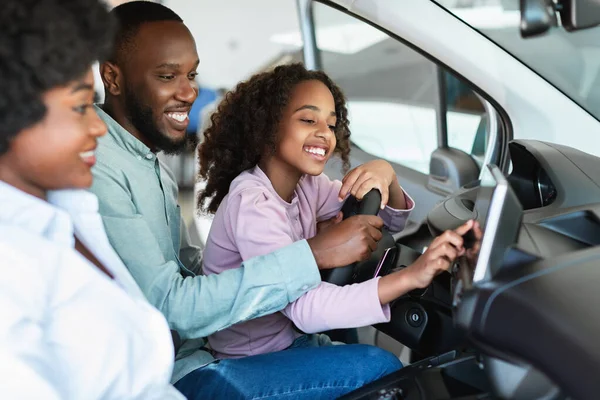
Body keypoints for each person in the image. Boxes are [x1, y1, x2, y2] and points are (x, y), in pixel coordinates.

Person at [90, 2, 411, 398]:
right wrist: (310, 254)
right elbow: (175, 307)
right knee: (381, 372)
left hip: (203, 350)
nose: (189, 91)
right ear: (113, 78)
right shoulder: (98, 165)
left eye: (191, 74)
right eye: (167, 75)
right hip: (169, 374)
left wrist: (256, 258)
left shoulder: (146, 159)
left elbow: (189, 268)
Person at [197, 63, 477, 359]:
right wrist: (411, 276)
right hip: (249, 360)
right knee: (379, 366)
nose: (325, 134)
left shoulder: (307, 185)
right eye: (308, 120)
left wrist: (386, 174)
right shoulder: (252, 205)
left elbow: (386, 222)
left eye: (331, 125)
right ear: (267, 125)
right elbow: (305, 309)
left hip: (291, 337)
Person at [0, 0, 184, 398]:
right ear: (10, 111)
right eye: (80, 106)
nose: (97, 127)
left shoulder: (68, 209)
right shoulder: (9, 263)